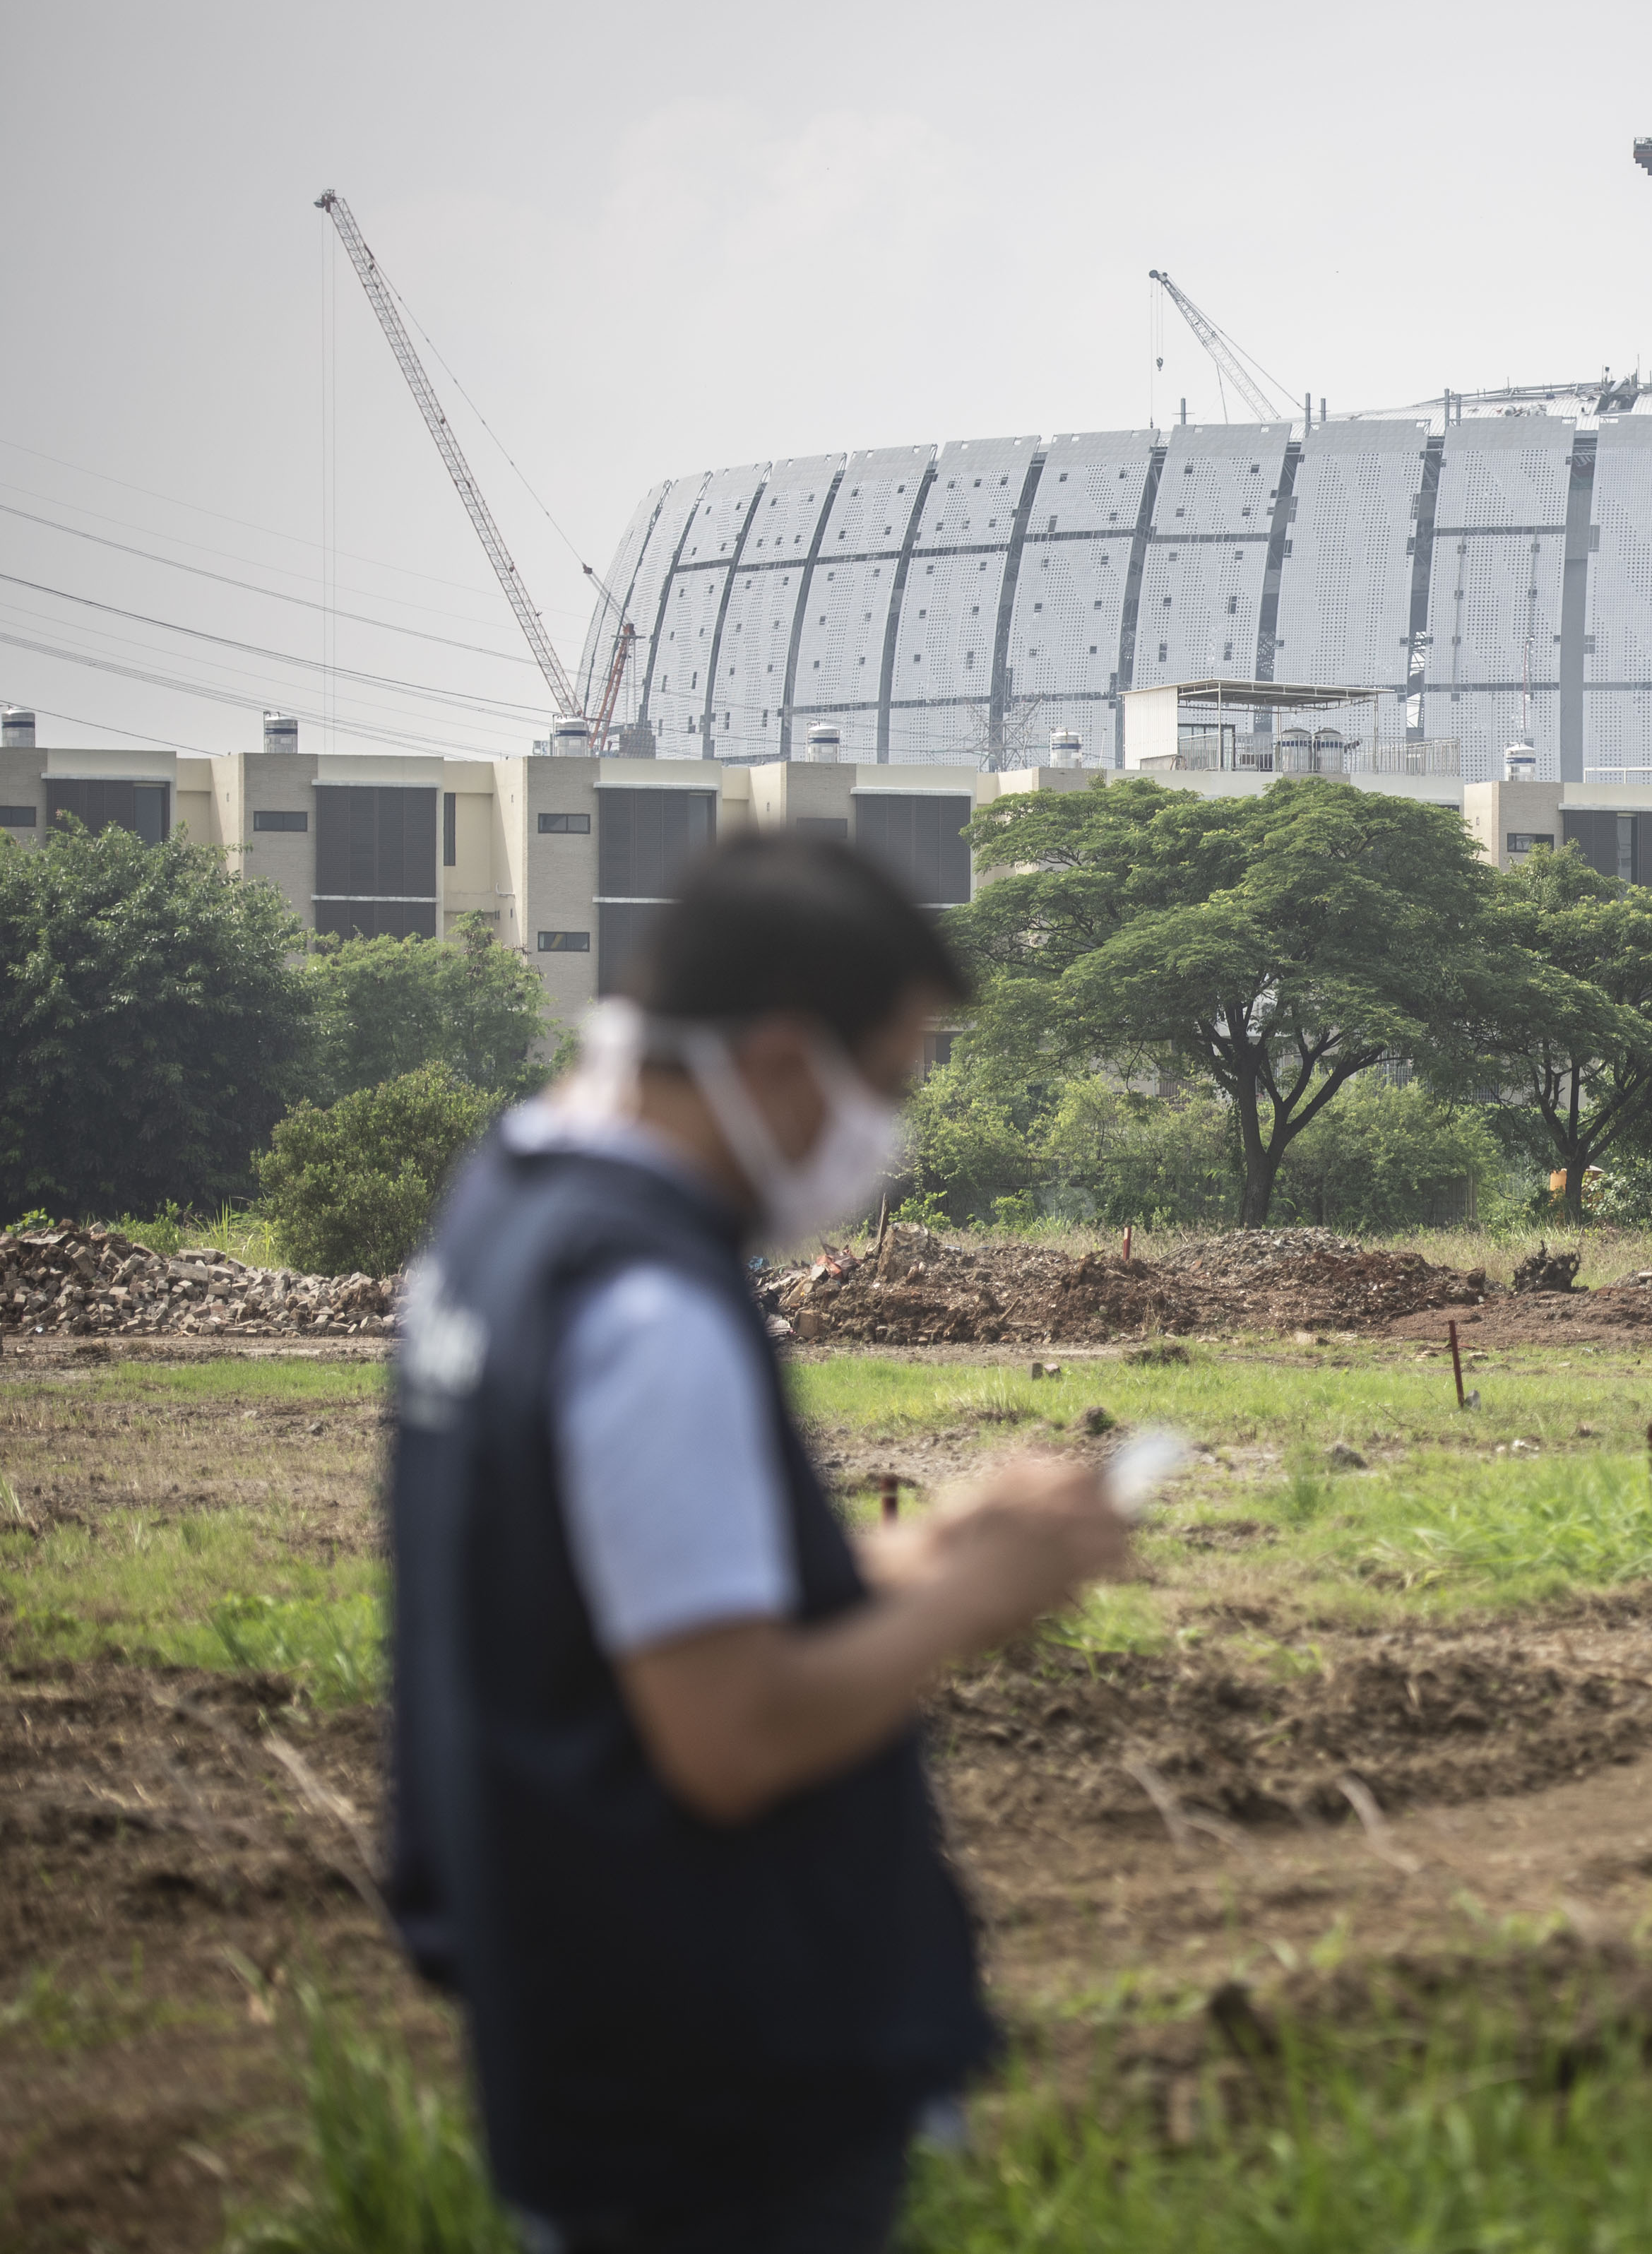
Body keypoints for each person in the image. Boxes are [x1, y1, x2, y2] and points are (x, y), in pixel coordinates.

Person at [385, 833, 1129, 2252]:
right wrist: (973, 1596)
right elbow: (731, 1731)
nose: (883, 1134)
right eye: (891, 1082)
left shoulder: (508, 1213)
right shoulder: (650, 1306)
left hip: (583, 2023)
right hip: (717, 2092)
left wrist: (916, 1553)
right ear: (787, 1062)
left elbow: (643, 1594)